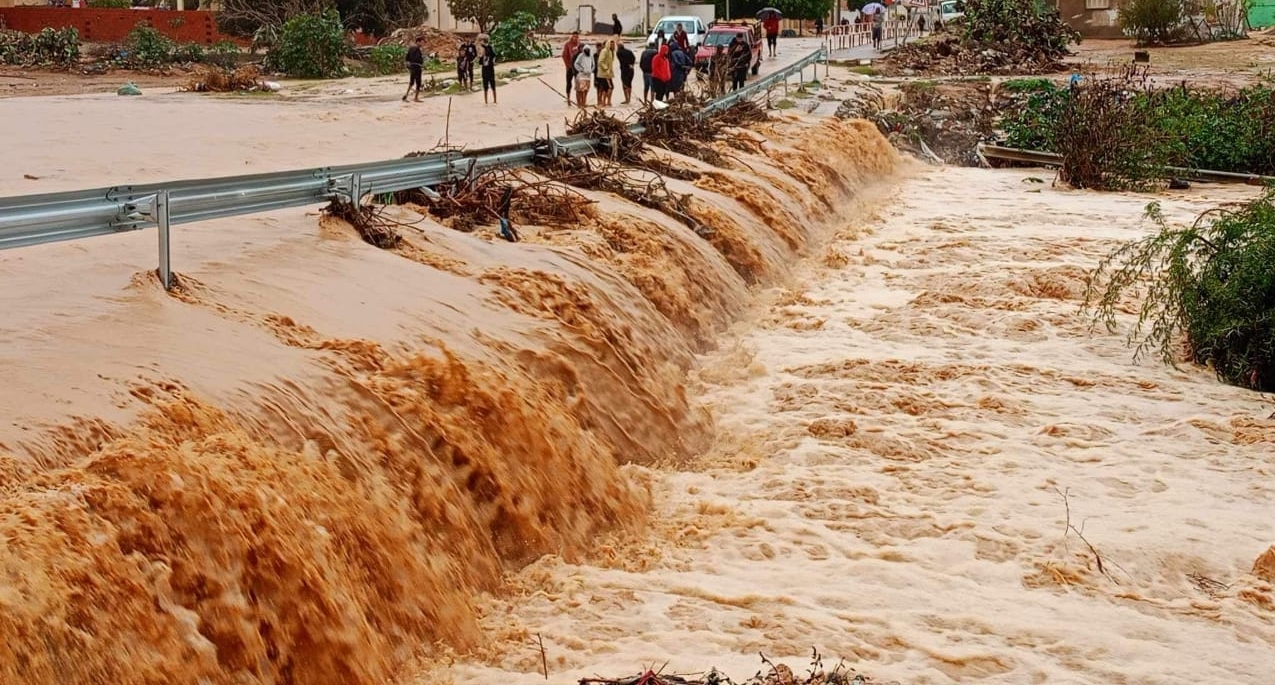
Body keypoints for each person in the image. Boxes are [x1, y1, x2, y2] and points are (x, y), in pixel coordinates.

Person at [402, 36, 424, 102]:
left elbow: (407, 57)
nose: (422, 44)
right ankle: (416, 98)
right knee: (418, 82)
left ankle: (406, 95)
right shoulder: (416, 49)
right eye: (422, 42)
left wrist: (408, 64)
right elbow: (417, 59)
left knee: (411, 82)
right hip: (417, 67)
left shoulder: (411, 48)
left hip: (412, 67)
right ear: (418, 42)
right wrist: (420, 64)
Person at [562, 31, 581, 105]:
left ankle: (579, 100)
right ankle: (568, 99)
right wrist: (567, 65)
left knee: (578, 84)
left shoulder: (579, 44)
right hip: (570, 67)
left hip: (578, 68)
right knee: (569, 83)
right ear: (572, 36)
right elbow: (564, 56)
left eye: (577, 37)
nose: (575, 38)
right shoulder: (568, 44)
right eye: (574, 36)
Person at [573, 44, 595, 109]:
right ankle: (579, 104)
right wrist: (581, 69)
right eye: (586, 50)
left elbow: (593, 65)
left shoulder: (591, 56)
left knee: (586, 91)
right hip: (581, 76)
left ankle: (584, 103)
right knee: (580, 91)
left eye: (588, 50)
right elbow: (576, 64)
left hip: (588, 76)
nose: (587, 51)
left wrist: (591, 70)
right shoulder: (581, 56)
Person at [596, 39, 616, 107]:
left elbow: (610, 62)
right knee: (609, 87)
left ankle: (606, 102)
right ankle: (605, 102)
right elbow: (600, 61)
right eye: (611, 44)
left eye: (613, 44)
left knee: (606, 88)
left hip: (608, 73)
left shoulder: (610, 52)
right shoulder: (604, 51)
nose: (612, 45)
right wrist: (606, 68)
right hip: (604, 73)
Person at [479, 35, 497, 104]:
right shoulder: (482, 49)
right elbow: (480, 62)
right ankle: (486, 102)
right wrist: (481, 56)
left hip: (490, 69)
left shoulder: (489, 48)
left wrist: (493, 61)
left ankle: (495, 101)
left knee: (493, 85)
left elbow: (494, 55)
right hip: (484, 70)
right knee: (485, 86)